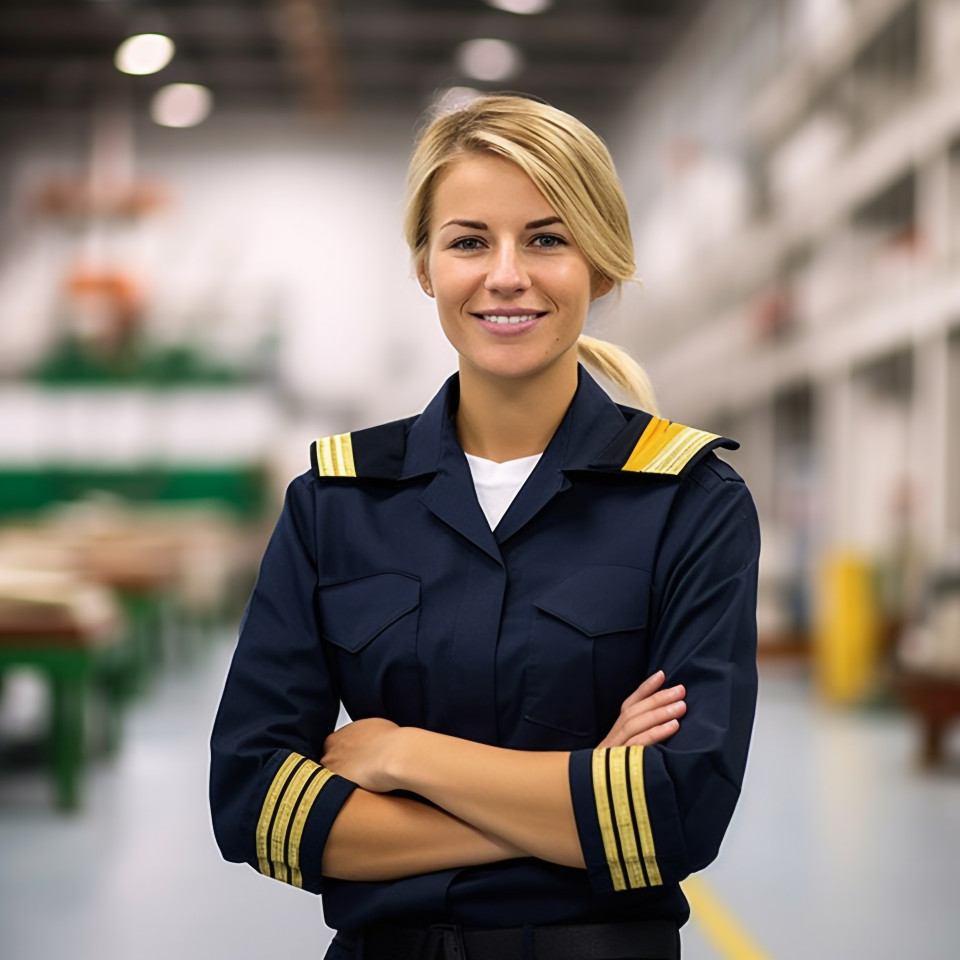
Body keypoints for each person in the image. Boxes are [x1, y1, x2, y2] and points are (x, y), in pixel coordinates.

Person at [209, 94, 760, 960]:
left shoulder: (690, 503)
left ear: (602, 264)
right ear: (426, 267)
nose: (507, 274)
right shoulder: (336, 503)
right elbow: (254, 806)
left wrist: (401, 757)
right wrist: (572, 806)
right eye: (469, 240)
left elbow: (672, 817)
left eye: (548, 238)